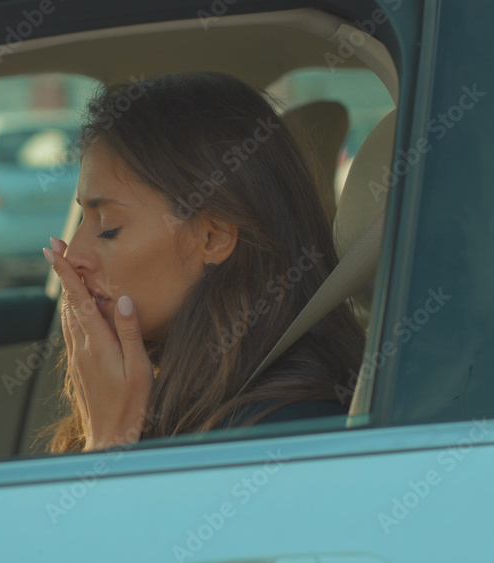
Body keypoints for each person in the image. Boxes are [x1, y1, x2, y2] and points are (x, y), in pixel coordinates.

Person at [41, 72, 365, 454]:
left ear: (213, 238)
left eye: (109, 227)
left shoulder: (283, 432)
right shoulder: (183, 389)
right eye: (82, 219)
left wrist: (109, 443)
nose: (72, 255)